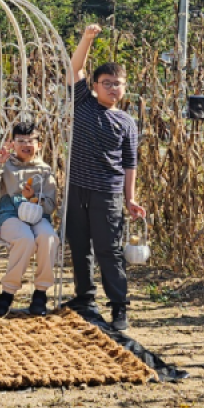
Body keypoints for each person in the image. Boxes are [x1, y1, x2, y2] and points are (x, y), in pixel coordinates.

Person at [65, 24, 145, 331]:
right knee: (79, 244)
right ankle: (84, 297)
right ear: (95, 85)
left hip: (107, 193)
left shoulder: (126, 122)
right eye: (107, 83)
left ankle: (119, 307)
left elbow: (130, 162)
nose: (113, 88)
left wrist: (130, 198)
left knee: (109, 249)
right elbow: (75, 68)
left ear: (125, 88)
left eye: (118, 84)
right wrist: (87, 39)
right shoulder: (82, 102)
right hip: (76, 188)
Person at [0, 122, 58, 317]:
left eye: (31, 141)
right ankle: (7, 293)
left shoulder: (45, 170)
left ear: (39, 145)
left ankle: (40, 293)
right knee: (25, 239)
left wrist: (33, 198)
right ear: (12, 144)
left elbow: (51, 205)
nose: (26, 144)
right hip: (10, 216)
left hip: (38, 216)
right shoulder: (5, 166)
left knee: (49, 238)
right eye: (21, 140)